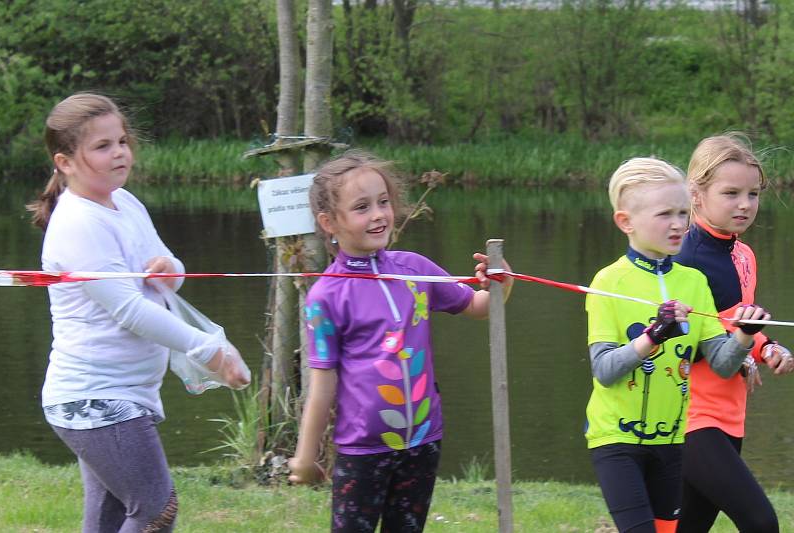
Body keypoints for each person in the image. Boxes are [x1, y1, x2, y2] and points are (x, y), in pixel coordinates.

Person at [27, 93, 250, 532]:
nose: (120, 153)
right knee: (155, 509)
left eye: (122, 140)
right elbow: (130, 310)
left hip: (124, 393)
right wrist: (208, 348)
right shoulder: (77, 224)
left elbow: (166, 276)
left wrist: (172, 270)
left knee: (110, 519)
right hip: (92, 397)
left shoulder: (125, 204)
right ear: (66, 162)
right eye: (102, 146)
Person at [287, 150, 512, 532]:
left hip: (423, 442)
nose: (378, 214)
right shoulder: (325, 296)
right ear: (329, 223)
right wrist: (306, 457)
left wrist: (501, 282)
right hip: (362, 450)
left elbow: (478, 306)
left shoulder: (415, 269)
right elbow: (322, 387)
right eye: (362, 207)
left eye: (383, 202)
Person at [584, 157, 770, 533]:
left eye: (683, 213)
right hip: (616, 437)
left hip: (672, 439)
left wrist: (745, 335)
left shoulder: (693, 282)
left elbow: (721, 363)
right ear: (626, 222)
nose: (677, 224)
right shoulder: (608, 282)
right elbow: (604, 371)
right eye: (664, 214)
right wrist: (652, 336)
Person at [674, 134, 793, 532]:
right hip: (690, 417)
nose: (745, 204)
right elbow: (680, 344)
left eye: (753, 193)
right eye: (731, 193)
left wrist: (769, 347)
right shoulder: (683, 261)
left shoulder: (744, 255)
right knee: (761, 522)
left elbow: (738, 324)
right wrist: (739, 349)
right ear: (696, 194)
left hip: (730, 414)